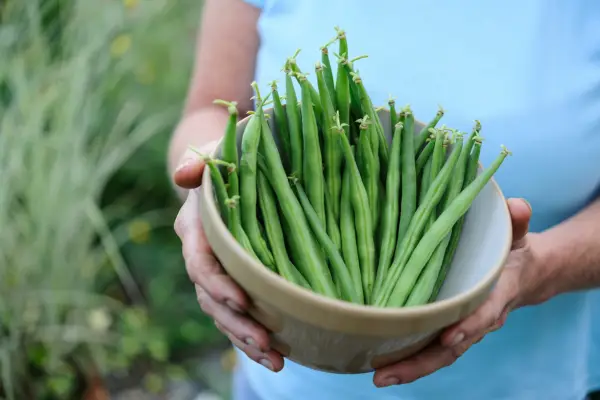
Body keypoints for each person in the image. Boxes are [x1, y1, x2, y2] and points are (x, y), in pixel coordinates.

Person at [169, 1, 600, 399]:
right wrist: (206, 191)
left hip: (525, 384)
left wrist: (541, 269)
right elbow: (207, 110)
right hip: (283, 381)